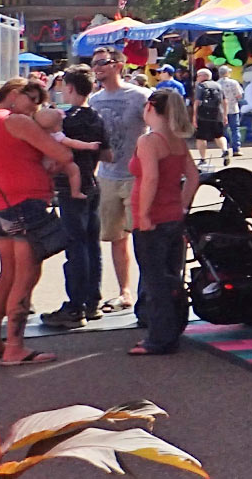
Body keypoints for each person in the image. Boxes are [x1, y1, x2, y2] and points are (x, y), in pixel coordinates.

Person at [0, 78, 79, 365]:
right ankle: (15, 347)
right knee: (25, 274)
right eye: (32, 98)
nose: (35, 105)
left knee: (7, 275)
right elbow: (63, 153)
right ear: (13, 94)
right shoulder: (15, 121)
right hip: (24, 204)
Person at [129, 89, 198, 356]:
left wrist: (144, 213)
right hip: (172, 215)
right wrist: (182, 203)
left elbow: (150, 179)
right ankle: (171, 331)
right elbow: (192, 176)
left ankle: (159, 338)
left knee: (155, 281)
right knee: (170, 279)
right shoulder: (177, 141)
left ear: (149, 107)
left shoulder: (149, 141)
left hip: (152, 217)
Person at [42, 68, 107, 329]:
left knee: (76, 244)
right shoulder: (97, 117)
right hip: (91, 180)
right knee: (92, 243)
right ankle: (92, 301)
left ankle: (75, 306)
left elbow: (52, 152)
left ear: (69, 88)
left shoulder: (64, 119)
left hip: (69, 185)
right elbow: (106, 153)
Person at [88, 48, 151, 314]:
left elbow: (159, 129)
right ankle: (124, 292)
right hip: (107, 177)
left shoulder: (140, 96)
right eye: (93, 64)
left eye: (102, 63)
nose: (97, 67)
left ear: (119, 65)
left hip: (137, 176)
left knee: (142, 236)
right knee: (116, 237)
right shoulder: (94, 100)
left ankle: (146, 293)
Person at [190, 69, 227, 167]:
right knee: (219, 135)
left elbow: (197, 102)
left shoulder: (201, 86)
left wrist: (194, 116)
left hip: (203, 115)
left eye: (198, 76)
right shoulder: (218, 85)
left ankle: (203, 159)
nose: (197, 78)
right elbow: (224, 101)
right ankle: (225, 150)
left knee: (201, 137)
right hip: (217, 113)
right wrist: (225, 115)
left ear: (203, 76)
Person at [215, 67, 244, 160]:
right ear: (227, 73)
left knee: (223, 130)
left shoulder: (216, 84)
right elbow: (239, 95)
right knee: (235, 129)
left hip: (220, 110)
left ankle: (225, 149)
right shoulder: (234, 83)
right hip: (233, 109)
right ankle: (236, 149)